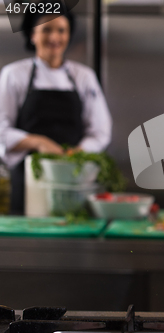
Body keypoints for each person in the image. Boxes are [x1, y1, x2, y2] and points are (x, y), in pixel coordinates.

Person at [0, 1, 112, 214]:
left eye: (61, 30)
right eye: (46, 30)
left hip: (75, 177)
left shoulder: (84, 77)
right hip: (28, 181)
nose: (54, 38)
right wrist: (39, 142)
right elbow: (1, 130)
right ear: (33, 35)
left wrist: (77, 153)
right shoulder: (13, 75)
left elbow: (100, 131)